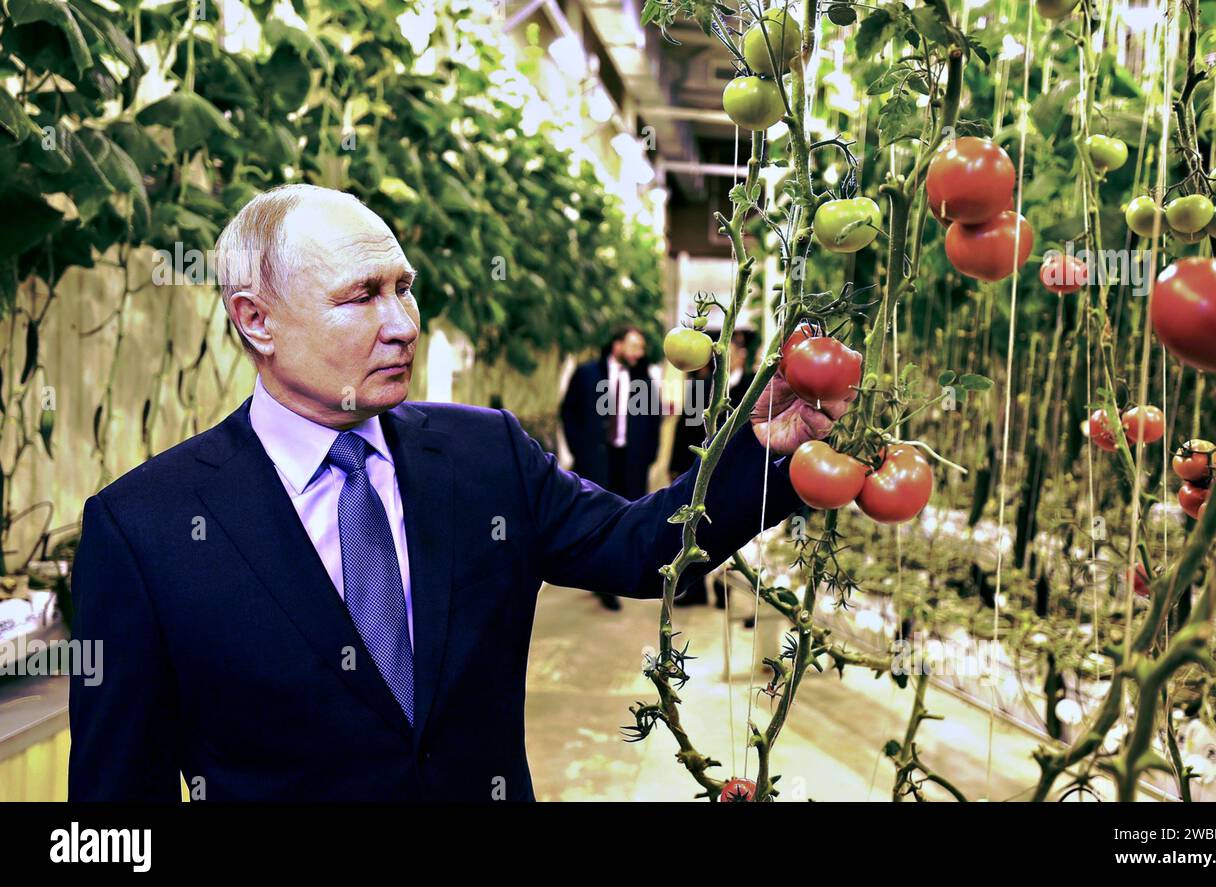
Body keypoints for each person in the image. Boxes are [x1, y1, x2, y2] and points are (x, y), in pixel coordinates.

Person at [67, 184, 849, 802]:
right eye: (362, 295)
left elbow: (643, 551)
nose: (404, 322)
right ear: (256, 321)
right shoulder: (149, 529)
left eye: (403, 287)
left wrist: (766, 456)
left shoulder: (482, 457)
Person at [559, 326, 661, 611]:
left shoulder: (644, 380)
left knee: (627, 517)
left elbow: (653, 420)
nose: (640, 352)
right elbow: (569, 411)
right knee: (596, 519)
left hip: (630, 461)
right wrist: (579, 448)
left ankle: (613, 577)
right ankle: (600, 580)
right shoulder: (588, 373)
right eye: (634, 345)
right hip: (596, 459)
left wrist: (648, 455)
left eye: (641, 347)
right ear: (617, 345)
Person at [670, 330, 757, 608]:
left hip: (737, 471)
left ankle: (724, 592)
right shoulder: (703, 385)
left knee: (731, 528)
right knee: (696, 528)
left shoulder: (753, 386)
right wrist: (675, 465)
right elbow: (685, 428)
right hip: (701, 471)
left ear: (742, 354)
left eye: (733, 351)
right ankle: (694, 589)